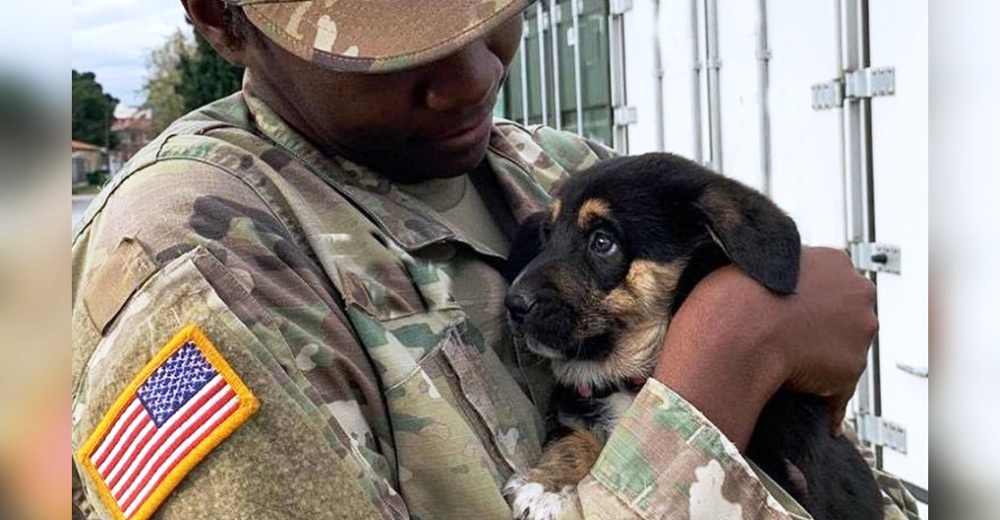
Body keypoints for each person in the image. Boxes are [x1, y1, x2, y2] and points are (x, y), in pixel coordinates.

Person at [70, 1, 920, 518]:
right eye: (389, 34)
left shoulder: (542, 167)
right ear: (222, 15)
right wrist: (728, 364)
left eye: (484, 7)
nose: (476, 75)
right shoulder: (196, 262)